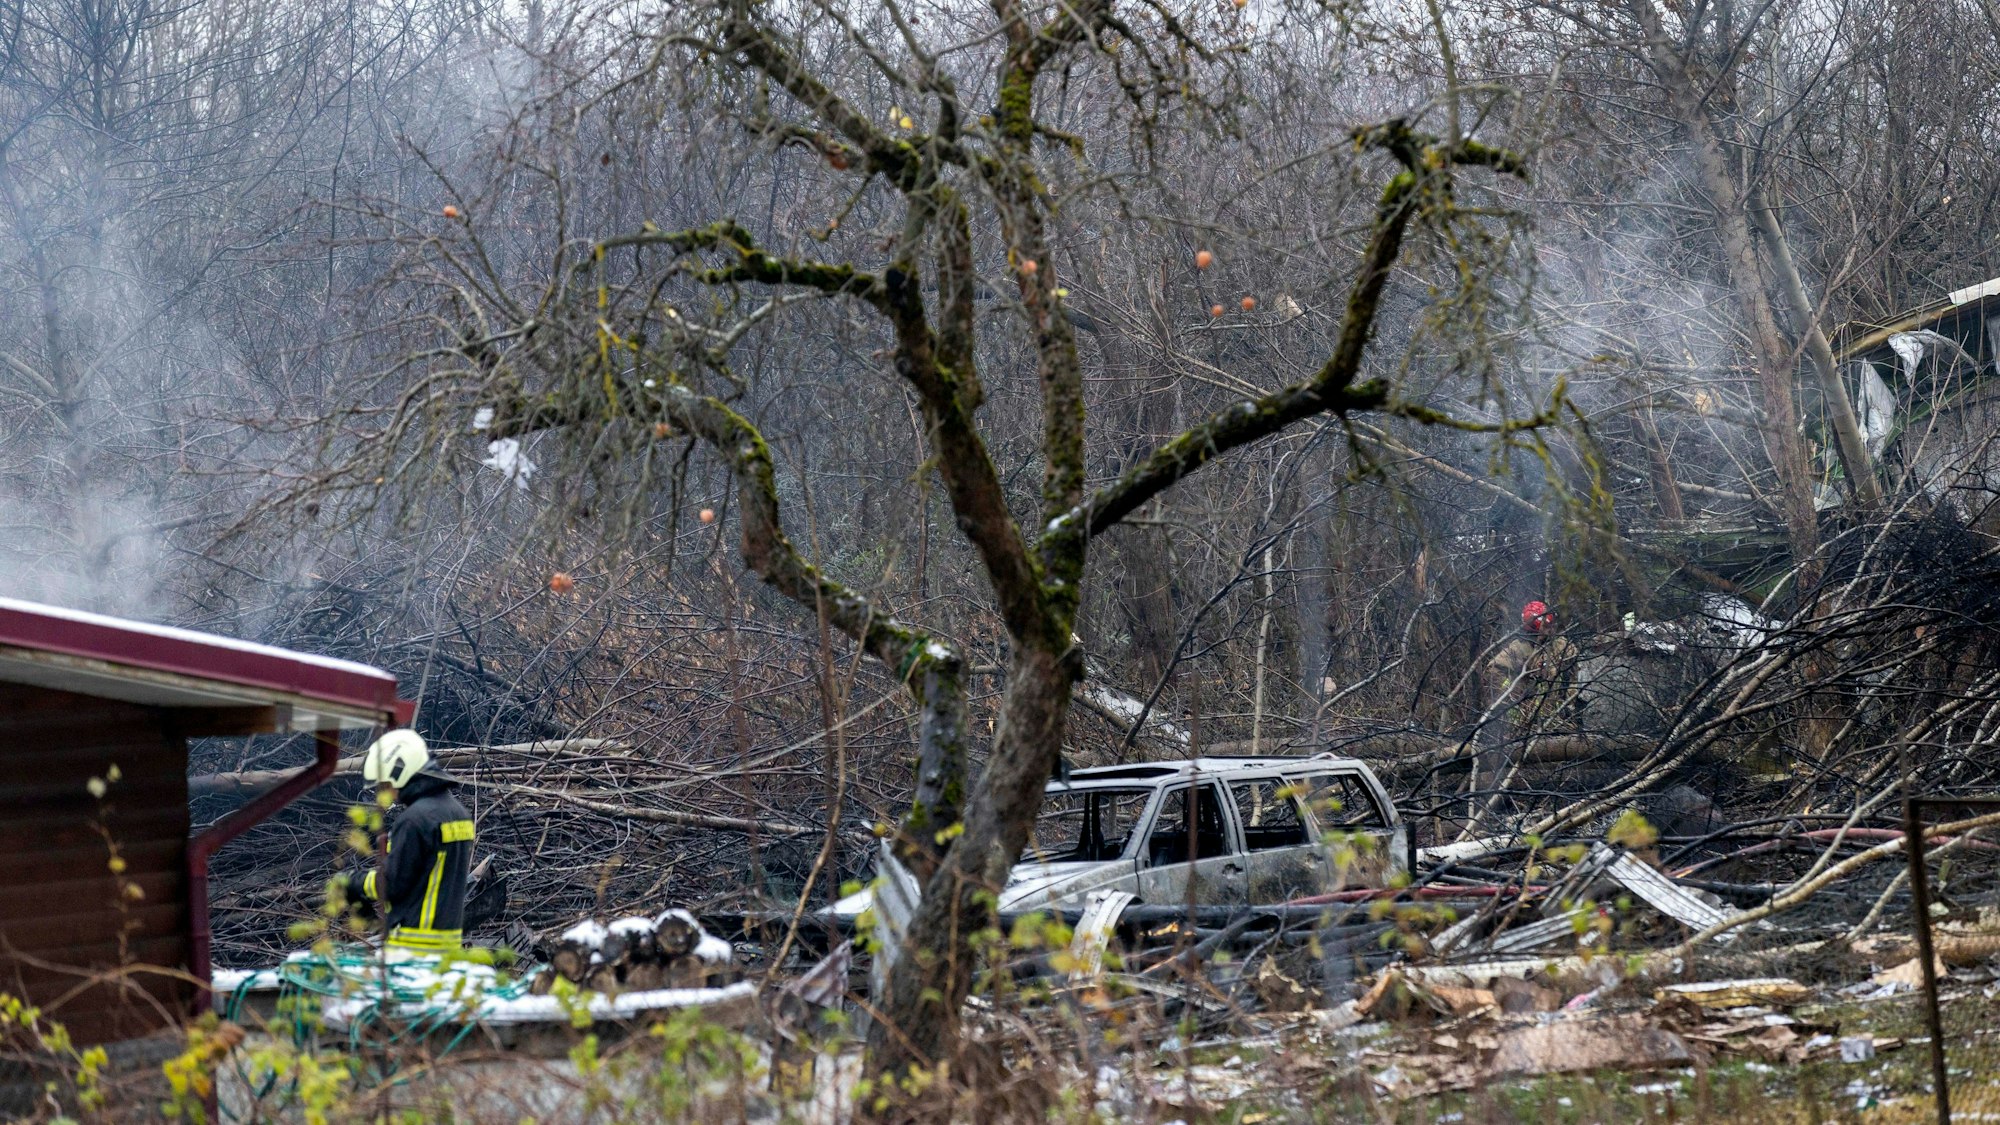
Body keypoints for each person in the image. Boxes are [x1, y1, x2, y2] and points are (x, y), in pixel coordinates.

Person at [345, 730, 477, 954]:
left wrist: (353, 883)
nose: (387, 792)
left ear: (401, 772)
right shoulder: (457, 812)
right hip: (448, 944)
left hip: (414, 947)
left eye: (386, 784)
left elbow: (394, 884)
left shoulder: (415, 819)